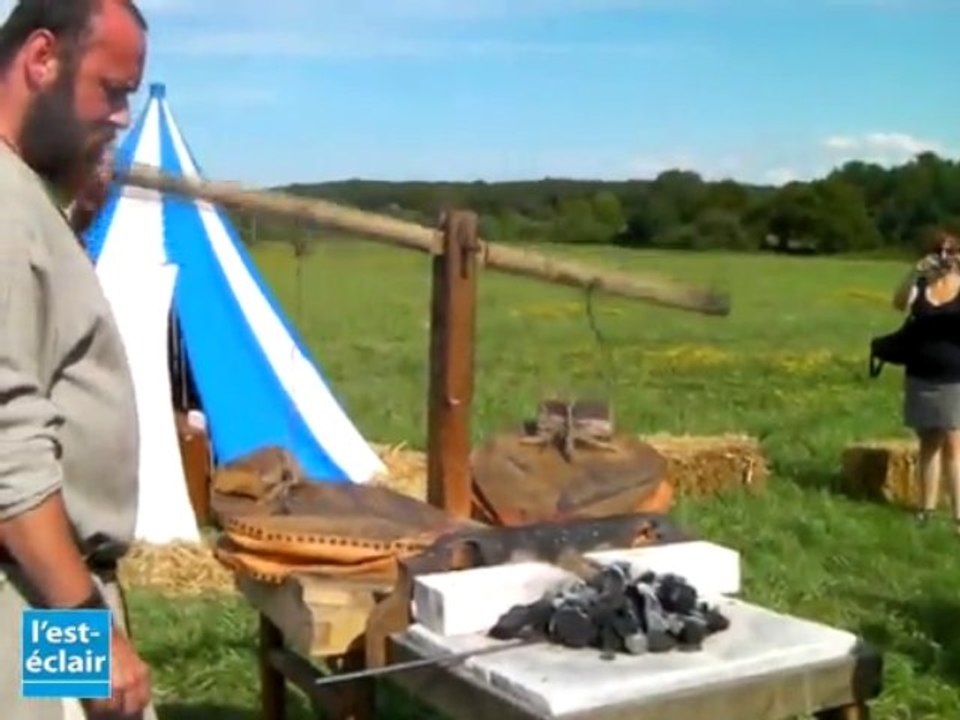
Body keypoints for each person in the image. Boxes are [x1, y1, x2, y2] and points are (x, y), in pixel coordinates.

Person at [0, 1, 157, 719]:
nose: (121, 116)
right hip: (31, 593)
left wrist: (73, 221)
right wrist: (85, 635)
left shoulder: (19, 194)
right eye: (113, 90)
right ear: (42, 58)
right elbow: (6, 445)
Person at [892, 230, 960, 531]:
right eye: (938, 251)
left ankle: (959, 514)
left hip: (955, 375)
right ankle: (926, 509)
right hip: (921, 374)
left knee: (954, 444)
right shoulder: (921, 284)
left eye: (950, 251)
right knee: (929, 443)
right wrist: (914, 272)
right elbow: (898, 303)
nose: (944, 257)